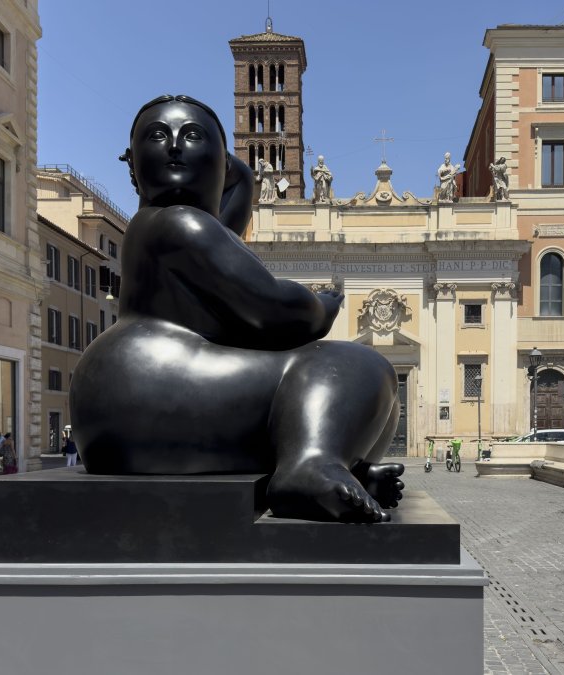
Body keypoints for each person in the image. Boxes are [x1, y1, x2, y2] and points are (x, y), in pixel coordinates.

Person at [70, 94, 404, 523]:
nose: (175, 146)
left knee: (380, 405)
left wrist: (241, 177)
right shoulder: (179, 221)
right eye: (158, 136)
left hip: (119, 413)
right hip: (149, 388)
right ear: (134, 164)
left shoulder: (163, 225)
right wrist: (320, 307)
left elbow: (223, 237)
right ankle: (308, 467)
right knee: (355, 366)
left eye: (192, 136)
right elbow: (270, 308)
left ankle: (341, 470)